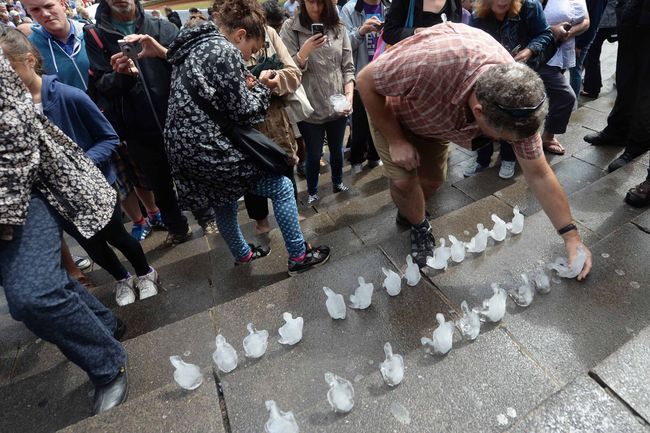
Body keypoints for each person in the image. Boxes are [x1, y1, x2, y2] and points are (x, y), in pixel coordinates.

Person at [357, 22, 592, 280]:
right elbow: (366, 81)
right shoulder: (430, 62)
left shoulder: (519, 106)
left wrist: (572, 237)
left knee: (432, 181)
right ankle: (419, 225)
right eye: (501, 138)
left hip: (435, 123)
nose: (506, 144)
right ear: (479, 112)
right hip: (392, 109)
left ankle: (411, 208)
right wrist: (396, 140)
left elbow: (539, 174)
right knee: (404, 182)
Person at [158, 0, 331, 274]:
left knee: (223, 199)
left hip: (182, 149)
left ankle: (243, 254)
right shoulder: (224, 50)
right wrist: (262, 86)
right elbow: (246, 111)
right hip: (208, 147)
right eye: (251, 48)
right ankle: (299, 256)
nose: (249, 54)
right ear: (240, 35)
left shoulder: (194, 47)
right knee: (282, 188)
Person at [0, 46, 128, 415]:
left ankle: (106, 363)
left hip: (20, 189)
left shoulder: (62, 94)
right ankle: (104, 322)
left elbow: (15, 131)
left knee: (31, 296)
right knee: (35, 283)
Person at [1, 27, 160, 306]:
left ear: (28, 60)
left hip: (96, 187)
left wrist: (80, 164)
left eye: (7, 69)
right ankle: (121, 278)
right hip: (57, 199)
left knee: (118, 237)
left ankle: (146, 272)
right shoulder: (11, 110)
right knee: (92, 246)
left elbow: (109, 137)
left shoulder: (67, 95)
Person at [85, 0, 195, 246]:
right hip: (136, 127)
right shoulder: (96, 35)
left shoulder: (162, 27)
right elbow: (102, 85)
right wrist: (121, 76)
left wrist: (164, 54)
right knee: (160, 184)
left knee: (192, 173)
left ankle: (207, 217)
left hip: (177, 119)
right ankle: (178, 228)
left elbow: (189, 68)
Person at [467, 0, 554, 179]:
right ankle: (482, 159)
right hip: (486, 75)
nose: (501, 1)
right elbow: (470, 43)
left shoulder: (530, 7)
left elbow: (545, 34)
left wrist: (530, 50)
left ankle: (509, 158)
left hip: (519, 74)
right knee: (483, 115)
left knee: (513, 115)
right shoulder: (477, 14)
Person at [280, 0, 356, 204]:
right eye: (310, 1)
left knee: (337, 150)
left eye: (320, 2)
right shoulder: (291, 28)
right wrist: (304, 52)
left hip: (337, 103)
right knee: (313, 154)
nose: (315, 8)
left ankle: (338, 181)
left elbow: (348, 67)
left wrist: (349, 96)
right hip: (310, 106)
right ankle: (312, 190)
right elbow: (286, 70)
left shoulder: (338, 27)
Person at [240, 12, 303, 234]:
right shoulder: (223, 42)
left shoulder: (270, 32)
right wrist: (254, 86)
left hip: (275, 116)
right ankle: (261, 220)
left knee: (285, 164)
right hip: (247, 125)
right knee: (252, 173)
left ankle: (292, 212)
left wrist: (276, 80)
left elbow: (293, 73)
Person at [583, 0, 649, 174]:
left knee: (645, 93)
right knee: (625, 82)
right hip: (630, 20)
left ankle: (637, 144)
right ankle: (617, 130)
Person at [340, 0, 388, 174]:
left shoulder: (389, 6)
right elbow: (344, 45)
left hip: (384, 75)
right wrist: (361, 31)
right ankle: (356, 158)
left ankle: (375, 156)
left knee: (381, 119)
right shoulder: (350, 9)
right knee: (359, 122)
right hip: (361, 76)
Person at [540, 0, 589, 155]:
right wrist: (552, 30)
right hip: (538, 53)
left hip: (562, 54)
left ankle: (547, 135)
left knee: (552, 96)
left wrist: (570, 31)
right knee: (565, 96)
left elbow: (586, 21)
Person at [21, 0, 90, 90]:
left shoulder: (90, 32)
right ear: (30, 13)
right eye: (35, 9)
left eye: (49, 6)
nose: (45, 14)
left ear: (62, 4)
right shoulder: (30, 48)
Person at [382, 0, 463, 45]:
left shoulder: (454, 2)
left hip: (446, 68)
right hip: (412, 68)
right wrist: (416, 32)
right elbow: (389, 33)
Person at [581, 0, 617, 99]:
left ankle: (592, 88)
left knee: (592, 55)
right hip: (615, 19)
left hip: (600, 21)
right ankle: (592, 85)